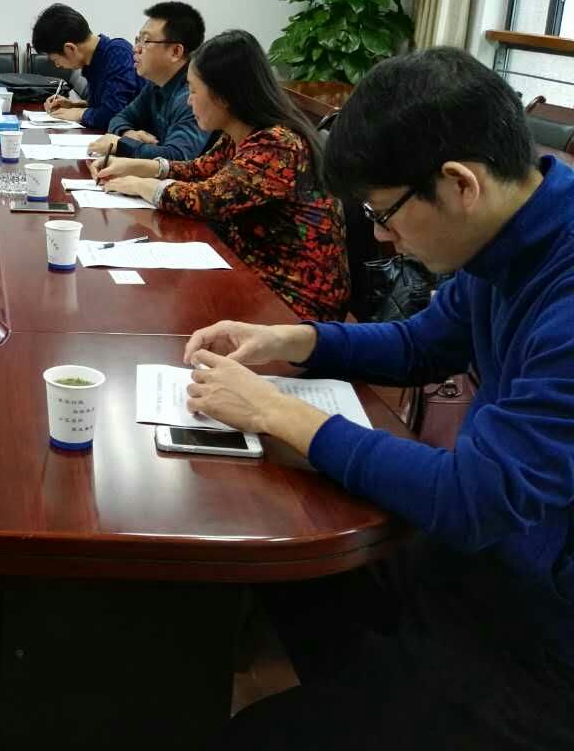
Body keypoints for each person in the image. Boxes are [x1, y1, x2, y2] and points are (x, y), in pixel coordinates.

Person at [187, 48, 574, 751]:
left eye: (384, 212)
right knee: (289, 570)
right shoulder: (507, 234)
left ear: (458, 184)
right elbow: (422, 343)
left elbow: (477, 496)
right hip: (481, 569)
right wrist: (291, 339)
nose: (381, 237)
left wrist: (280, 413)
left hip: (542, 643)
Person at [92, 29, 348, 320]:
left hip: (292, 304)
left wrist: (140, 185)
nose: (188, 101)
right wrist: (134, 166)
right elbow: (198, 170)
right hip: (252, 279)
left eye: (193, 91)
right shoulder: (240, 134)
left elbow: (206, 199)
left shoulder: (278, 145)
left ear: (223, 96)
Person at [88, 1, 210, 161]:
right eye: (138, 40)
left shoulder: (191, 96)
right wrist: (127, 134)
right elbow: (119, 118)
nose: (136, 49)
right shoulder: (156, 84)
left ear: (176, 52)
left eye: (146, 41)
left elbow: (178, 158)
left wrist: (121, 144)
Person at [30, 3, 142, 131]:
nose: (57, 65)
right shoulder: (92, 61)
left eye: (55, 60)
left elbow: (114, 114)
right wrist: (73, 105)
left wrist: (80, 114)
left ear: (70, 48)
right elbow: (102, 104)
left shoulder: (118, 53)